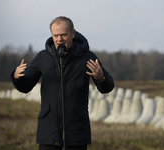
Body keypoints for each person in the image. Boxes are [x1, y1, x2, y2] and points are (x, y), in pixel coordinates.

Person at [11, 16, 114, 150]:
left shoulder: (87, 57)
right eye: (56, 35)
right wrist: (17, 77)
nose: (59, 39)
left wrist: (101, 77)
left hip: (77, 133)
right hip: (49, 133)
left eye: (64, 35)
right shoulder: (43, 57)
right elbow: (25, 86)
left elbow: (108, 87)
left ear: (73, 33)